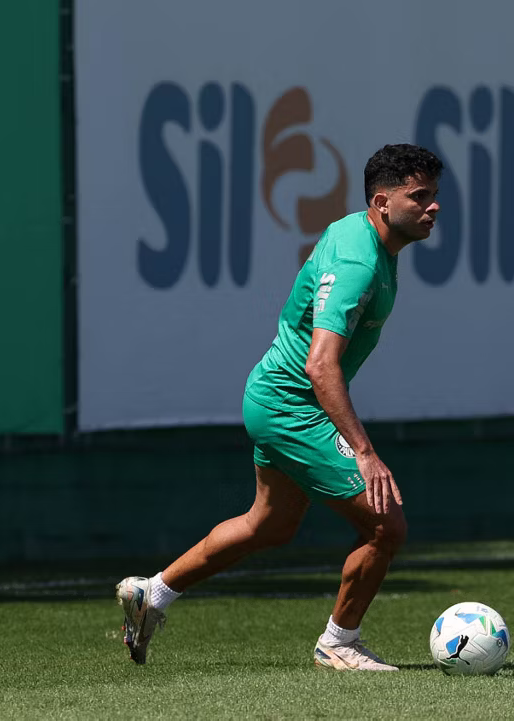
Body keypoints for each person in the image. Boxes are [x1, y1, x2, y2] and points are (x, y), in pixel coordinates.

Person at [117, 143, 444, 671]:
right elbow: (320, 365)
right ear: (382, 203)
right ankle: (339, 643)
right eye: (420, 196)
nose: (433, 206)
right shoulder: (359, 262)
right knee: (386, 525)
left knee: (268, 526)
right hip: (292, 407)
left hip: (274, 399)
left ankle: (152, 593)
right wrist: (365, 453)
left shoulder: (363, 237)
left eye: (434, 195)